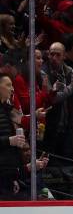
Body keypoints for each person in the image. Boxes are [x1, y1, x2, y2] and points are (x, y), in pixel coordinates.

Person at [42, 42, 73, 160]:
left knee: (66, 161)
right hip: (49, 125)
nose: (54, 58)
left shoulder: (68, 71)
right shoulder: (43, 72)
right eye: (51, 54)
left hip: (68, 124)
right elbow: (54, 98)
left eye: (58, 55)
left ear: (64, 56)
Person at [0, 72, 28, 200]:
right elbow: (7, 141)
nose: (12, 89)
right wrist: (9, 141)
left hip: (8, 174)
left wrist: (14, 177)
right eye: (8, 85)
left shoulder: (7, 109)